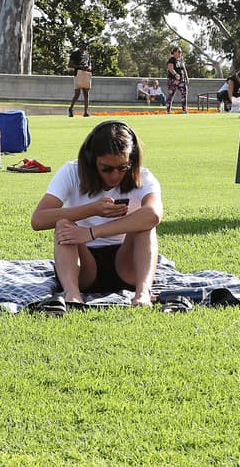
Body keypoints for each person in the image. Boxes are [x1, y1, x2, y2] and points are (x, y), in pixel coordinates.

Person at [29, 120, 163, 309]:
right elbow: (38, 219)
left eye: (122, 168)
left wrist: (92, 232)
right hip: (83, 265)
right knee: (63, 224)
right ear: (91, 161)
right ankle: (72, 293)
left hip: (126, 262)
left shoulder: (143, 177)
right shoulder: (71, 172)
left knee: (144, 225)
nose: (115, 176)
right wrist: (93, 209)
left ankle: (143, 292)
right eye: (106, 169)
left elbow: (153, 215)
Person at [67, 39, 93, 117]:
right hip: (78, 74)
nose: (86, 46)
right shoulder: (75, 54)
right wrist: (80, 67)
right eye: (85, 45)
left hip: (86, 74)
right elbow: (70, 65)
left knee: (86, 93)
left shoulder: (87, 55)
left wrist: (89, 68)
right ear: (80, 45)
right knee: (77, 94)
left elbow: (89, 64)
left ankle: (85, 112)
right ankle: (71, 108)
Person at [164, 46, 189, 113]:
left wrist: (186, 77)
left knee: (184, 92)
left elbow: (184, 69)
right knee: (171, 94)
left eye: (181, 52)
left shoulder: (181, 60)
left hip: (181, 80)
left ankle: (184, 109)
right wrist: (175, 74)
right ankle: (168, 110)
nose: (180, 53)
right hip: (173, 80)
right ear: (175, 52)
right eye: (179, 52)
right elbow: (170, 68)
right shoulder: (172, 59)